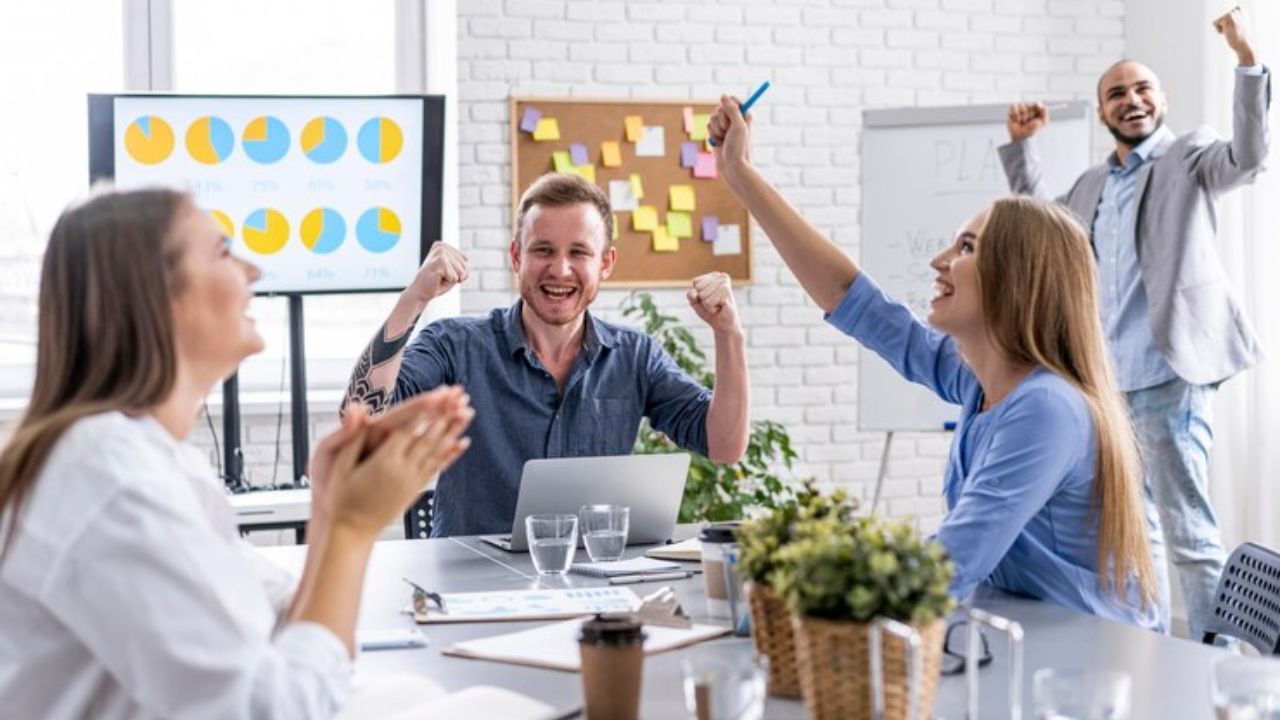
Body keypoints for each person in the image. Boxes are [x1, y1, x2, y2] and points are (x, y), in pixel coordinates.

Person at [0, 188, 474, 719]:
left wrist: (330, 506)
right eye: (224, 251)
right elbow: (271, 710)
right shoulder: (108, 476)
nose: (252, 271)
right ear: (154, 296)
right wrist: (351, 528)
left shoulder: (145, 458)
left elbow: (280, 616)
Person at [707, 98, 1160, 628]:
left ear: (1017, 280)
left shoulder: (1048, 408)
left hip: (1095, 667)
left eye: (966, 247)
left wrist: (802, 577)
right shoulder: (981, 381)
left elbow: (949, 563)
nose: (938, 261)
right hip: (1030, 634)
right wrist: (739, 174)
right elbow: (855, 300)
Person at [999, 7, 1268, 637]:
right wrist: (1022, 148)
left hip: (1171, 377)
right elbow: (1043, 226)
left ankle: (1212, 666)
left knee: (1190, 533)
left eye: (1142, 87)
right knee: (1133, 533)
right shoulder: (1093, 184)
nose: (1131, 99)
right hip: (1107, 386)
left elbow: (1250, 158)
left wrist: (1246, 58)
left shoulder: (1191, 158)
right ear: (1102, 113)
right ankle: (1148, 653)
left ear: (1163, 99)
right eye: (1116, 93)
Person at [341, 172, 749, 537]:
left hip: (589, 588)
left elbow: (726, 445)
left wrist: (728, 334)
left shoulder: (635, 356)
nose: (560, 269)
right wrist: (414, 298)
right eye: (543, 251)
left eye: (578, 252)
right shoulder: (455, 345)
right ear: (517, 257)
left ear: (605, 263)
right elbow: (361, 415)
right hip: (469, 590)